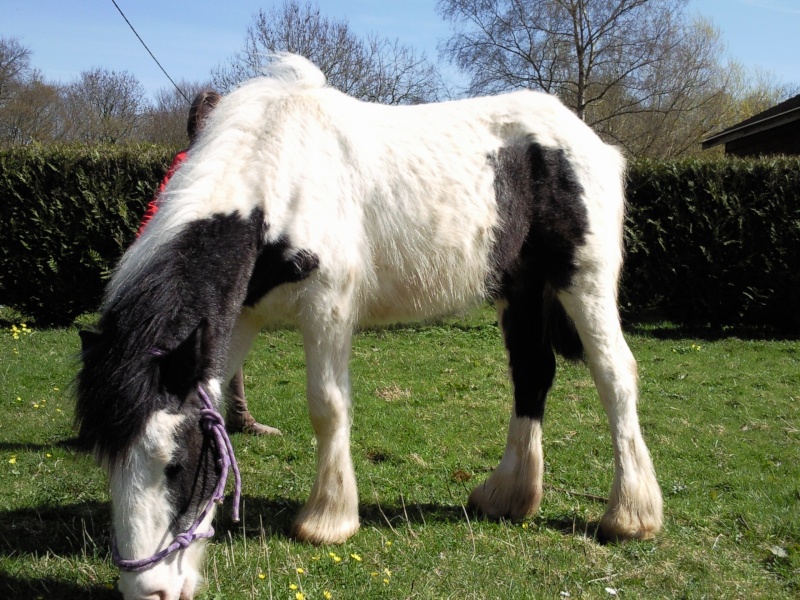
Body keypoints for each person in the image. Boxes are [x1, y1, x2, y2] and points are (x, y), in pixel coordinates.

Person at [138, 90, 281, 436]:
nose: (204, 127)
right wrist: (141, 248)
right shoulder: (186, 162)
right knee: (196, 341)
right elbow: (159, 209)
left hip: (221, 267)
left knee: (225, 333)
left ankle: (237, 414)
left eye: (210, 121)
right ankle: (169, 411)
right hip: (185, 266)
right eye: (200, 121)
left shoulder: (240, 167)